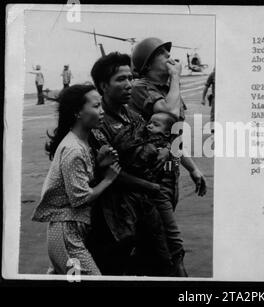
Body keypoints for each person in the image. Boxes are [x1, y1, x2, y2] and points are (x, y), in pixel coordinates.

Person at [88, 52, 178, 276]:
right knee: (116, 271)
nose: (129, 84)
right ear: (103, 86)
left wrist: (165, 150)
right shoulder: (98, 123)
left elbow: (155, 139)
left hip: (146, 211)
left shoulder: (134, 116)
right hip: (115, 217)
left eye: (130, 77)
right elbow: (110, 174)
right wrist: (150, 187)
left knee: (162, 266)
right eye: (121, 79)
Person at [31, 84, 121, 275]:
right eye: (96, 106)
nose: (102, 111)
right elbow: (79, 198)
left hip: (69, 233)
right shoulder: (74, 149)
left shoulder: (80, 142)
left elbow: (76, 181)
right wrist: (108, 179)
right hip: (67, 235)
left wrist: (98, 164)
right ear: (78, 112)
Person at [130, 37, 207, 207]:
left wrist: (192, 168)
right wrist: (175, 77)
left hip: (170, 173)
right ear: (147, 65)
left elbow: (172, 138)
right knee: (164, 232)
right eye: (161, 54)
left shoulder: (168, 91)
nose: (169, 56)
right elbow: (169, 112)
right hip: (150, 177)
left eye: (168, 52)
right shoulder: (140, 87)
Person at [201, 67, 215, 132]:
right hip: (215, 98)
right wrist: (203, 99)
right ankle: (213, 129)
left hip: (224, 98)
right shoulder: (212, 75)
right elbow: (206, 86)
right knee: (213, 114)